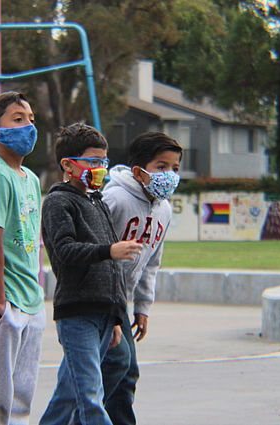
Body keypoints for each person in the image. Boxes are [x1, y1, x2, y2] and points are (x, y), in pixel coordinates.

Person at [39, 123, 143, 425]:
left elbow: (111, 273)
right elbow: (65, 251)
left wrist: (114, 317)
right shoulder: (59, 201)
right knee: (90, 397)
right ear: (69, 165)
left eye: (104, 162)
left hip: (102, 312)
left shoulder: (96, 202)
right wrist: (108, 250)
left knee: (68, 394)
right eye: (93, 162)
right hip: (77, 312)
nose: (100, 168)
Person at [0, 92, 45, 425]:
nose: (28, 126)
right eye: (18, 119)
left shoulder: (29, 179)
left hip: (31, 298)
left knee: (22, 391)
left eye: (30, 118)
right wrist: (0, 299)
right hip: (5, 299)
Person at [99, 131, 183, 424]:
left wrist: (142, 307)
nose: (170, 175)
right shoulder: (115, 198)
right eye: (161, 167)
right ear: (139, 171)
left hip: (123, 299)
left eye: (175, 168)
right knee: (115, 363)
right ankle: (83, 416)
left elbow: (152, 262)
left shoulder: (164, 209)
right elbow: (95, 249)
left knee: (127, 372)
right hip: (99, 296)